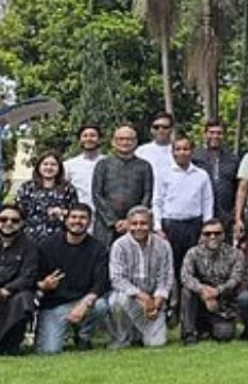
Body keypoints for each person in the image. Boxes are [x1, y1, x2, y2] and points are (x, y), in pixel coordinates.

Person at [34, 203, 110, 354]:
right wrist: (43, 284)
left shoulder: (98, 249)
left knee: (101, 306)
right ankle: (63, 331)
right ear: (66, 220)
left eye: (83, 218)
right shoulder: (46, 245)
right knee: (48, 351)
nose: (78, 221)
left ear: (89, 222)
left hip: (83, 302)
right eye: (73, 217)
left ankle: (83, 335)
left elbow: (101, 283)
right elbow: (32, 277)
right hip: (53, 306)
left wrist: (84, 304)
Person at [152, 135, 214, 296]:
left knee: (193, 265)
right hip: (170, 225)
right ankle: (172, 301)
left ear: (192, 151)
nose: (182, 152)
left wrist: (206, 229)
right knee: (170, 265)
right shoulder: (164, 174)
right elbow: (157, 201)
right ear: (172, 152)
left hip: (194, 225)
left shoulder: (201, 175)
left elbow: (207, 202)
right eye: (178, 149)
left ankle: (191, 301)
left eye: (186, 149)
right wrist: (158, 227)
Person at [108, 206, 174, 349]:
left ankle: (139, 333)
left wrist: (156, 302)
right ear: (128, 224)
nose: (139, 227)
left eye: (143, 223)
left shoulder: (163, 245)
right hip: (131, 298)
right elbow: (117, 279)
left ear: (150, 225)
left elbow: (166, 278)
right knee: (116, 301)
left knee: (156, 344)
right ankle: (122, 338)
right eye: (134, 223)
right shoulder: (119, 245)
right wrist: (142, 296)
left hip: (154, 300)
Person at [0, 204, 39, 355]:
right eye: (3, 219)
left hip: (10, 294)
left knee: (25, 299)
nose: (9, 223)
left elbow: (28, 277)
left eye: (15, 220)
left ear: (22, 223)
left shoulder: (30, 245)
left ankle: (10, 346)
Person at [180, 218, 244, 345]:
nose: (212, 236)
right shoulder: (193, 253)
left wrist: (217, 291)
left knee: (224, 335)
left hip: (223, 306)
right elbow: (185, 276)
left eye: (217, 233)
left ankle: (207, 329)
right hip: (198, 303)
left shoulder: (236, 254)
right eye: (207, 234)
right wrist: (203, 291)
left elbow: (235, 279)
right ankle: (189, 334)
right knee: (187, 292)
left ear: (224, 235)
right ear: (202, 236)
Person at [92, 125, 154, 245]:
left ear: (136, 142)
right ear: (113, 142)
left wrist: (131, 221)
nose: (125, 142)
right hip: (106, 226)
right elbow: (97, 195)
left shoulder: (144, 166)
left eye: (129, 139)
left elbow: (147, 195)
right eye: (121, 139)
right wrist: (114, 222)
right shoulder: (103, 165)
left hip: (136, 226)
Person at [17, 150, 79, 243]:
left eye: (53, 164)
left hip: (58, 239)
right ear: (39, 167)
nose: (49, 167)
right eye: (45, 164)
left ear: (59, 168)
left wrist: (62, 212)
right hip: (30, 239)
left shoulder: (68, 189)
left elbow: (75, 213)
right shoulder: (27, 187)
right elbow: (18, 212)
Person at [192, 118, 240, 229]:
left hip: (226, 215)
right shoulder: (195, 157)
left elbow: (238, 188)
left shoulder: (233, 159)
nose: (215, 136)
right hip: (200, 214)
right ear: (204, 134)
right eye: (211, 132)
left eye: (219, 133)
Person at [64, 123, 104, 210]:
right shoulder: (69, 165)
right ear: (79, 140)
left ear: (100, 139)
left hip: (103, 214)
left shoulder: (108, 163)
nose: (89, 139)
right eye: (85, 136)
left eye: (93, 135)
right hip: (79, 215)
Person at [135, 112, 175, 183]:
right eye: (156, 127)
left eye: (165, 127)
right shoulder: (141, 152)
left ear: (171, 129)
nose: (160, 130)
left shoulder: (180, 151)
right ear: (151, 129)